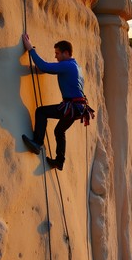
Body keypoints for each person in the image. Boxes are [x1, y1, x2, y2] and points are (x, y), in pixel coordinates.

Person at [21, 33, 89, 170]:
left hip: (71, 106)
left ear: (66, 53)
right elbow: (47, 68)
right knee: (59, 131)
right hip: (78, 107)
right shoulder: (76, 67)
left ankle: (37, 143)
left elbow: (45, 66)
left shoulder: (67, 65)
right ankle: (59, 161)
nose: (55, 56)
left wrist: (30, 49)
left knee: (41, 112)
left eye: (57, 53)